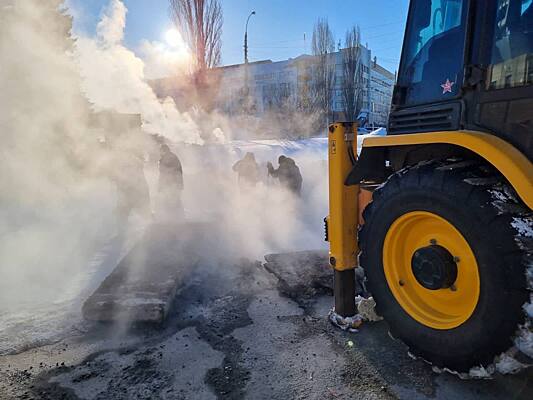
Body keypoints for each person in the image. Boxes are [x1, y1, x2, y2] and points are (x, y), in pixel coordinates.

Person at [158, 144, 184, 220]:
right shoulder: (171, 157)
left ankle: (173, 219)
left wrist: (161, 185)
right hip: (174, 184)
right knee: (174, 202)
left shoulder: (168, 158)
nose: (159, 153)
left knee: (172, 202)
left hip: (171, 184)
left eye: (160, 151)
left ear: (163, 150)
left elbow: (165, 173)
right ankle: (177, 219)